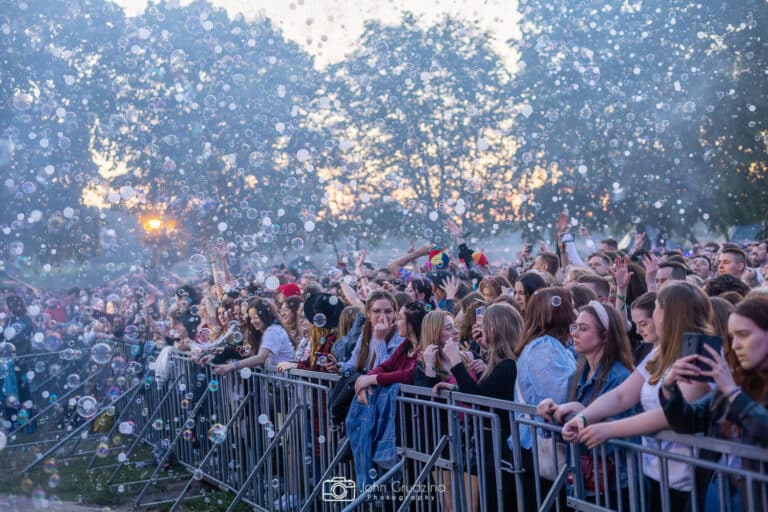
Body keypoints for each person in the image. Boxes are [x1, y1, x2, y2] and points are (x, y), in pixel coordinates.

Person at [561, 282, 715, 510]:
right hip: (655, 470)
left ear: (670, 312)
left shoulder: (701, 352)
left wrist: (610, 429)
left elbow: (670, 415)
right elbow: (623, 395)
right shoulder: (662, 349)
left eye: (657, 308)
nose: (654, 314)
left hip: (686, 478)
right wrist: (584, 418)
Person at [660, 296, 768, 511]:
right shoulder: (739, 380)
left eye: (744, 335)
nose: (736, 345)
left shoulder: (732, 386)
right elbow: (688, 421)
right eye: (732, 336)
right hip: (718, 492)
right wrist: (669, 387)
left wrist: (732, 392)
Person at [433, 303, 523, 511]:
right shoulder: (499, 362)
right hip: (491, 446)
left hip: (502, 448)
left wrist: (455, 361)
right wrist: (455, 386)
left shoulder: (508, 365)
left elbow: (478, 399)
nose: (480, 330)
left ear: (495, 329)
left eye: (484, 325)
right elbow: (484, 392)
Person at [352, 301, 429, 401]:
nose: (396, 323)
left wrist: (370, 379)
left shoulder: (425, 348)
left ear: (411, 323)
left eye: (400, 318)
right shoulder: (406, 344)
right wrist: (366, 379)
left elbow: (408, 376)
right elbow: (386, 365)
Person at [212, 298, 294, 374]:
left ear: (265, 316)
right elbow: (262, 357)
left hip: (284, 384)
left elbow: (260, 358)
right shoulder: (268, 331)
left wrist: (230, 366)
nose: (252, 321)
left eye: (256, 317)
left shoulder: (273, 331)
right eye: (251, 318)